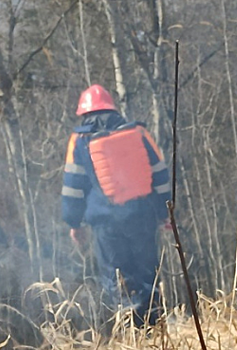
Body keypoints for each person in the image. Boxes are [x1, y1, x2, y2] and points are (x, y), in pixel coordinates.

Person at [61, 84, 171, 327]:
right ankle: (156, 329)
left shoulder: (80, 140)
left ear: (84, 112)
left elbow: (72, 186)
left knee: (117, 278)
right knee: (148, 274)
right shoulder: (138, 132)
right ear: (112, 107)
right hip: (142, 216)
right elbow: (159, 174)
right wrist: (165, 213)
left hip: (106, 224)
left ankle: (132, 331)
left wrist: (74, 223)